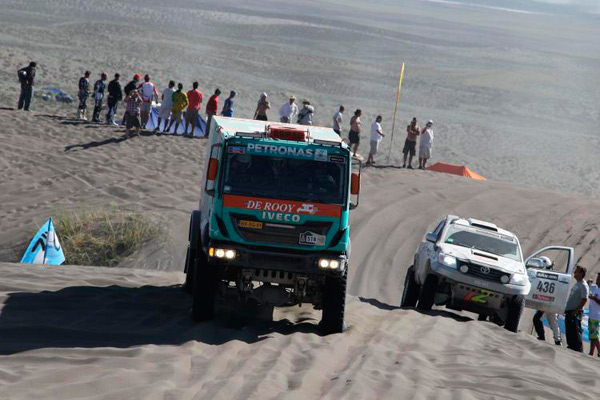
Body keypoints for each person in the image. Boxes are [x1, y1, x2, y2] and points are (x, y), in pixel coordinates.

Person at [531, 256, 562, 346]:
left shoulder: (549, 276)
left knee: (537, 319)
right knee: (553, 322)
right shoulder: (551, 275)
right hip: (550, 303)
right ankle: (557, 341)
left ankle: (542, 337)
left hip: (548, 303)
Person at [564, 266, 589, 352]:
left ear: (581, 274)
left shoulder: (583, 285)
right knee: (570, 330)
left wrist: (575, 311)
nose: (574, 272)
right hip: (570, 311)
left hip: (575, 312)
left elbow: (584, 299)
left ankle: (578, 349)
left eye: (576, 271)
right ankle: (571, 346)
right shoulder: (578, 283)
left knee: (575, 331)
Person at [588, 273, 600, 356]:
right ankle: (591, 352)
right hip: (591, 315)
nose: (597, 279)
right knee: (592, 336)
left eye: (599, 278)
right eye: (597, 278)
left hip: (596, 316)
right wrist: (589, 282)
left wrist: (594, 298)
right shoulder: (595, 287)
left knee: (595, 336)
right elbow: (589, 285)